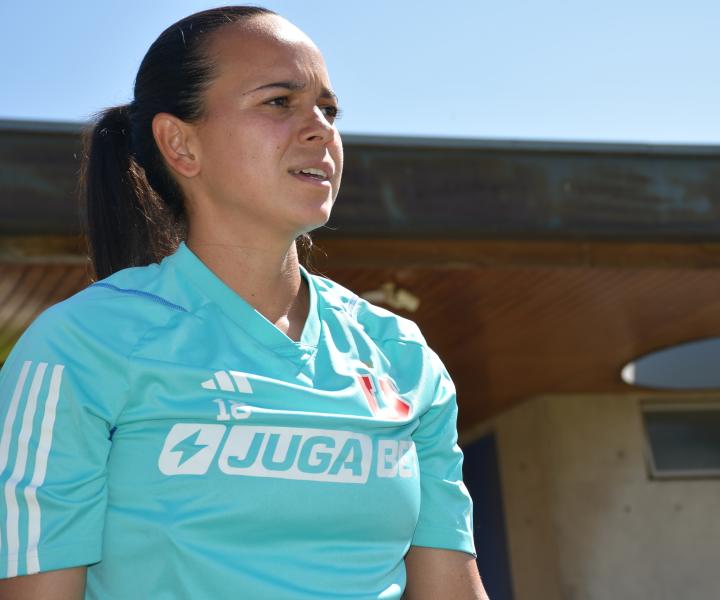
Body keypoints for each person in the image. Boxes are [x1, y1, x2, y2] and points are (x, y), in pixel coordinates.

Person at [0, 6, 488, 599]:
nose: (321, 130)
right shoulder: (78, 346)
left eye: (328, 110)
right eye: (279, 102)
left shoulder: (402, 356)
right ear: (180, 144)